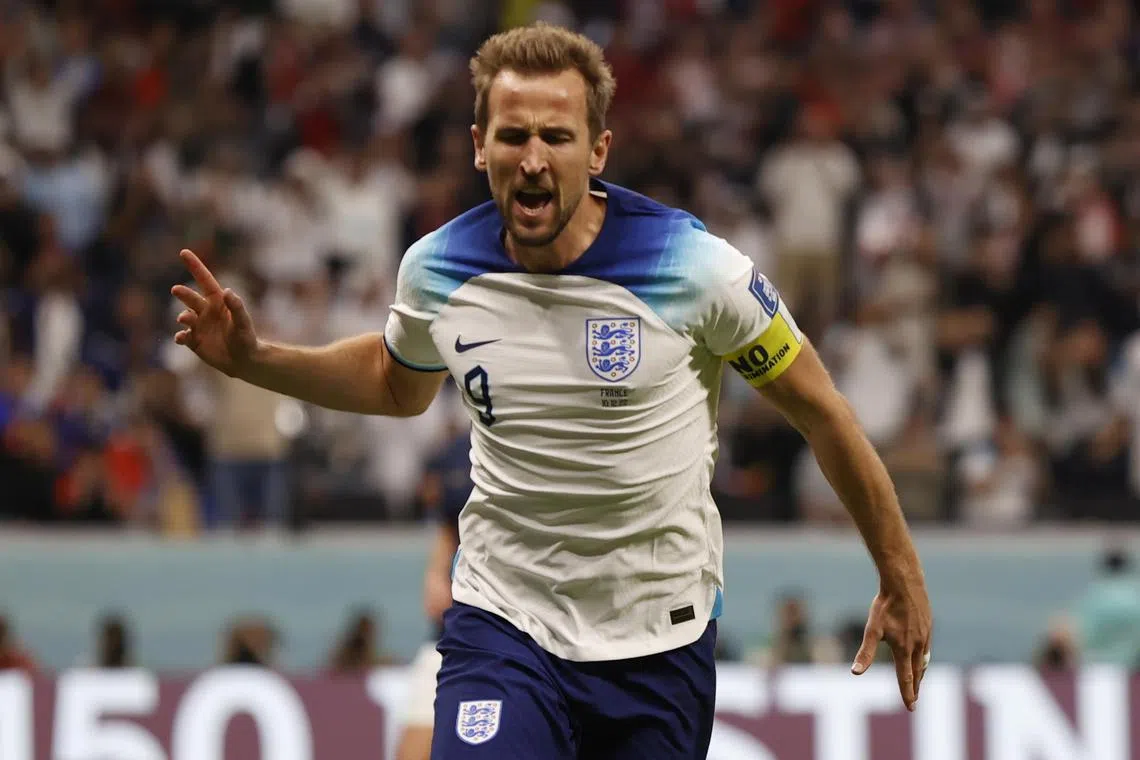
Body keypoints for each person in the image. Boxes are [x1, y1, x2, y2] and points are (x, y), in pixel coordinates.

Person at [171, 22, 933, 759]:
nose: (533, 159)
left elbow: (821, 412)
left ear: (597, 150)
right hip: (505, 620)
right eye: (512, 136)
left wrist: (897, 570)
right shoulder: (438, 270)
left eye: (556, 138)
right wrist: (255, 358)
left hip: (657, 640)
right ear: (479, 146)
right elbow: (395, 382)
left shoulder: (695, 268)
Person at [396, 430, 470, 760]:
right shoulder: (459, 450)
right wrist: (436, 573)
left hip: (534, 639)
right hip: (456, 632)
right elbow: (449, 523)